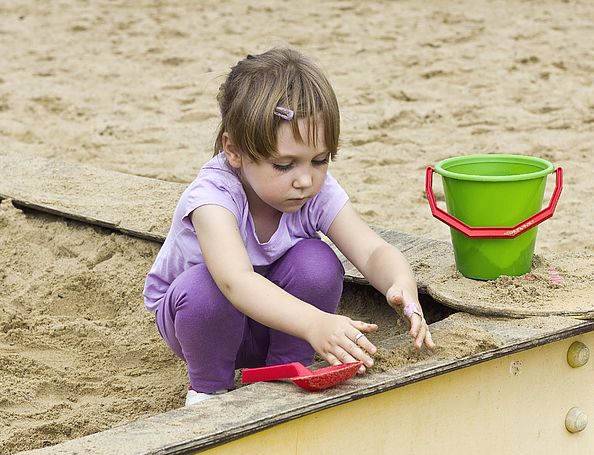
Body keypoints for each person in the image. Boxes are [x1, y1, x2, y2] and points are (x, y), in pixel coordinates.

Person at [144, 47, 435, 406]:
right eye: (284, 165)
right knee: (207, 287)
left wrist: (401, 284)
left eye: (319, 160)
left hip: (279, 324)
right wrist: (315, 324)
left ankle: (285, 369)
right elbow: (236, 281)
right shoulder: (213, 198)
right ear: (234, 151)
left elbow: (372, 249)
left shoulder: (314, 190)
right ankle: (208, 390)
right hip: (203, 325)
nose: (305, 180)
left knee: (317, 260)